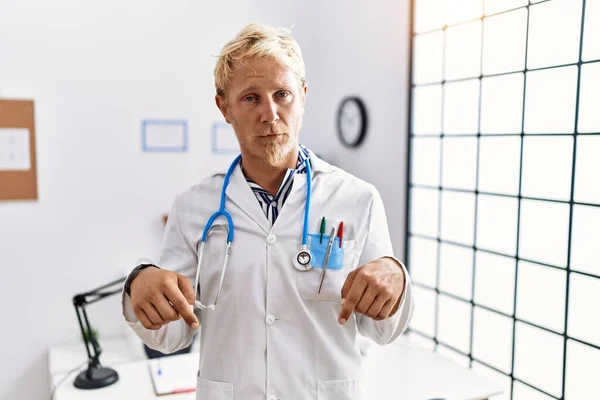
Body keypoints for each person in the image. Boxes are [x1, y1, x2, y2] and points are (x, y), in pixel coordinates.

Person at [122, 22, 414, 400]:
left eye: (282, 94)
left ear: (304, 97)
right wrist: (138, 286)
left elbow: (382, 329)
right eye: (250, 98)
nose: (270, 113)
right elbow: (172, 334)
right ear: (224, 106)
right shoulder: (193, 209)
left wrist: (397, 280)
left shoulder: (358, 199)